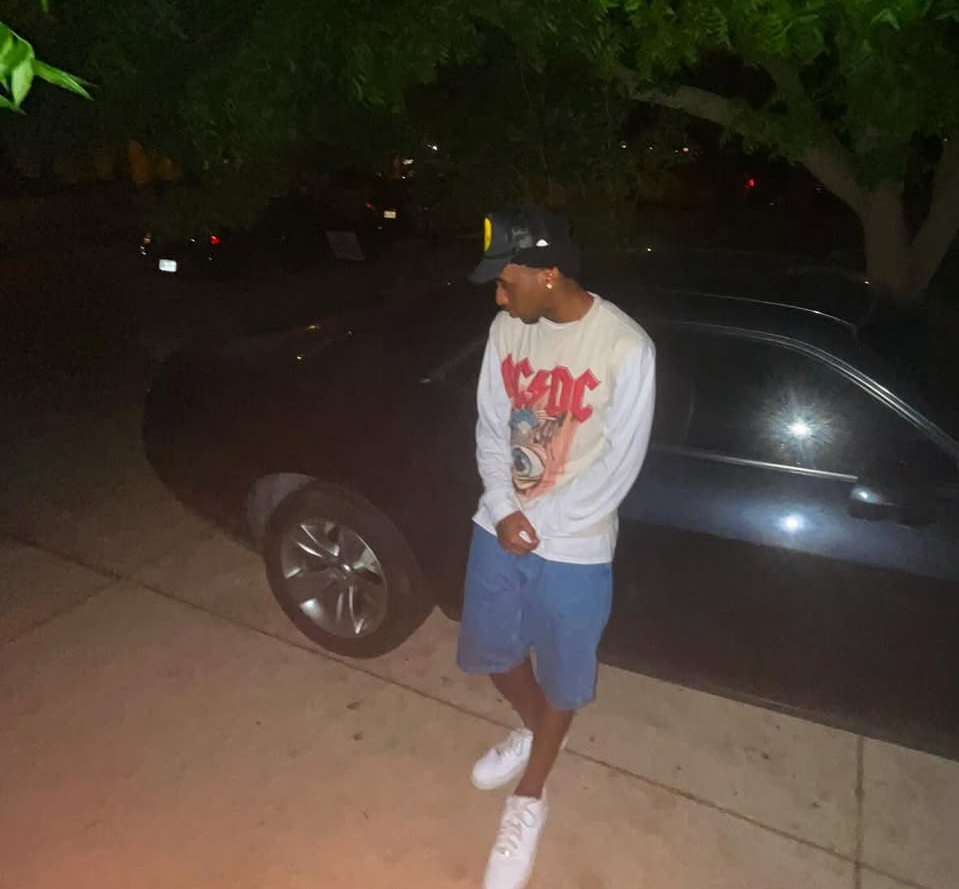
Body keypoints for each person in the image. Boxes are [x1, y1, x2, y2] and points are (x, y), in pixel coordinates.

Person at [457, 205, 656, 889]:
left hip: (576, 542)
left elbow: (619, 466)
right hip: (499, 522)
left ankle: (530, 796)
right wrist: (505, 508)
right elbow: (491, 426)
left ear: (547, 274)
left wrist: (540, 521)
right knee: (492, 651)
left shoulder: (625, 348)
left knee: (566, 672)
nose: (497, 295)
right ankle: (534, 728)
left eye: (505, 280)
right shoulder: (507, 328)